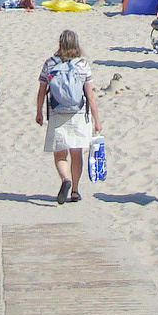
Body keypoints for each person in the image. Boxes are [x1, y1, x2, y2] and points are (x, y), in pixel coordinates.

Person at [36, 29, 102, 204]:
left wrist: (39, 112)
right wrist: (97, 120)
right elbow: (90, 95)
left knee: (60, 154)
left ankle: (65, 179)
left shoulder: (50, 63)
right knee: (76, 153)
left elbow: (42, 91)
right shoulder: (82, 64)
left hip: (57, 113)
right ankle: (75, 190)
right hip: (78, 114)